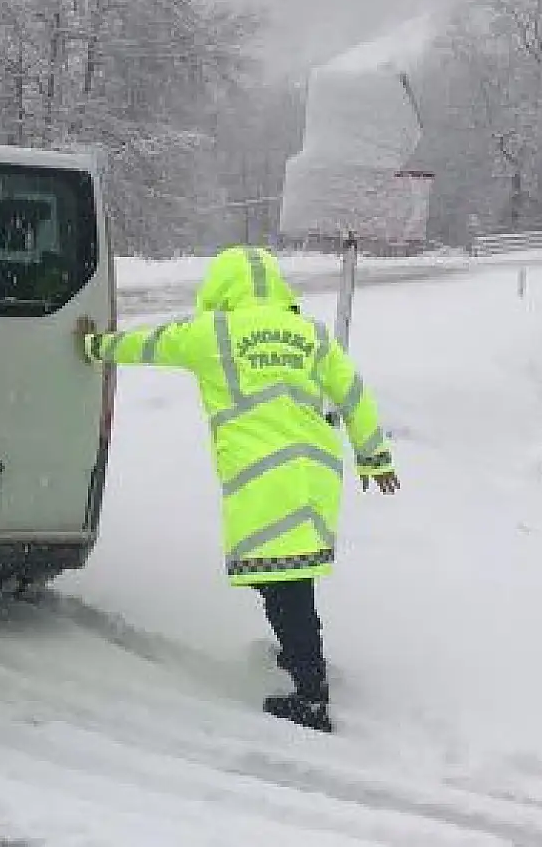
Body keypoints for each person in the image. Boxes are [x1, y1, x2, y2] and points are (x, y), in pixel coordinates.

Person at [74, 245, 399, 732]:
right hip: (314, 471)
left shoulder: (213, 332)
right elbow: (352, 393)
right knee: (288, 579)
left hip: (263, 477)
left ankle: (311, 695)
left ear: (222, 287)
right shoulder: (310, 334)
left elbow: (146, 345)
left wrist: (94, 347)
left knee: (285, 585)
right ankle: (301, 665)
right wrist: (373, 456)